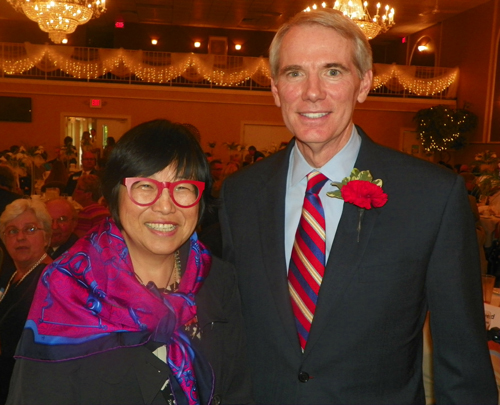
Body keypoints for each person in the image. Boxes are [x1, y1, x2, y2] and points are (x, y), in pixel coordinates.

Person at [219, 8, 497, 404]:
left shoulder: (431, 196)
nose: (312, 92)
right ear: (276, 88)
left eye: (333, 71)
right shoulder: (240, 195)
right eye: (295, 73)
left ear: (363, 84)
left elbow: (462, 360)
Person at [7, 119, 252, 405]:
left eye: (183, 187)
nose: (165, 206)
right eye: (145, 186)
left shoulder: (216, 280)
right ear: (114, 194)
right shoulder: (70, 288)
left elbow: (239, 390)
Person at [0, 198, 53, 404]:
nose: (20, 237)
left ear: (47, 237)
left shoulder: (50, 280)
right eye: (12, 231)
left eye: (30, 229)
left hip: (30, 389)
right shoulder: (14, 275)